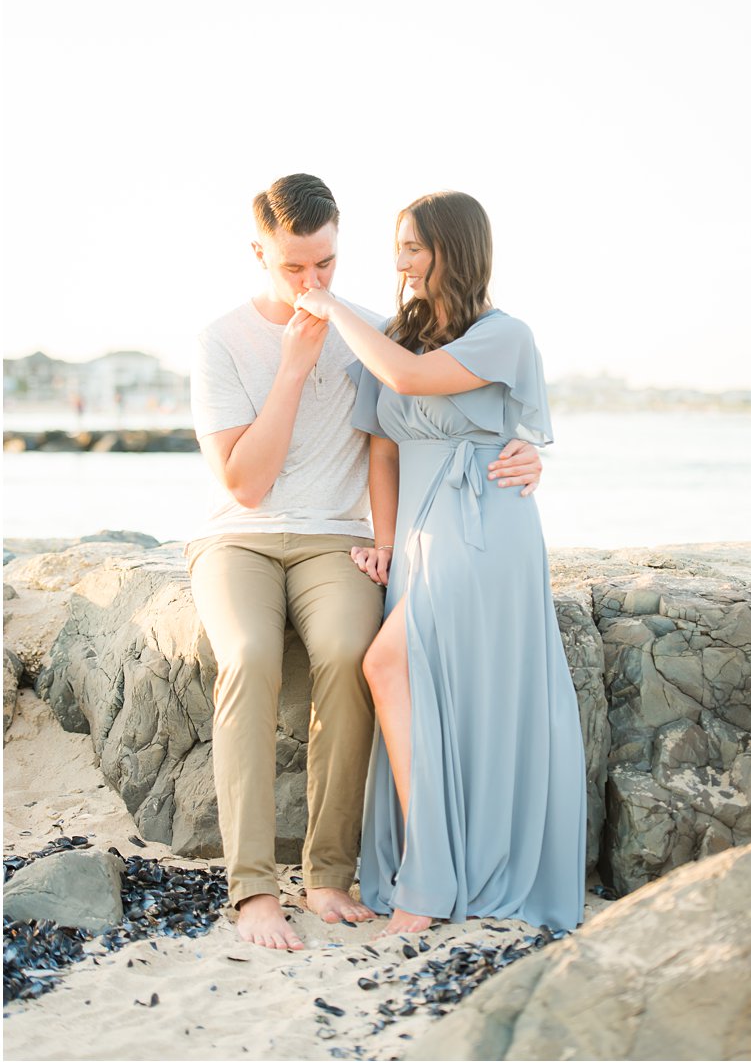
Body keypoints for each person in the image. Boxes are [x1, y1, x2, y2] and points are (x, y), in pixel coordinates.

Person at [188, 174, 542, 951]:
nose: (314, 283)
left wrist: (527, 453)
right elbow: (244, 487)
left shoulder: (380, 334)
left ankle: (326, 875)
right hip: (237, 539)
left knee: (351, 653)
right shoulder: (222, 339)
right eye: (294, 269)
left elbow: (441, 411)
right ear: (259, 254)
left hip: (335, 537)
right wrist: (291, 366)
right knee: (247, 655)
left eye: (327, 265)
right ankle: (252, 889)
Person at [295, 190, 586, 936]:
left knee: (387, 664)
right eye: (398, 246)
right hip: (420, 540)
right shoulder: (394, 336)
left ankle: (429, 880)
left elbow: (412, 382)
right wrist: (385, 544)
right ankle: (434, 866)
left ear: (455, 250)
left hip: (484, 524)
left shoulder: (502, 335)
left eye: (416, 247)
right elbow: (382, 450)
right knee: (418, 683)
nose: (402, 261)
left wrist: (331, 308)